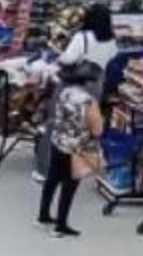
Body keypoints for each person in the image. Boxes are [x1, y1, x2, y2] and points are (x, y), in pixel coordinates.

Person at [37, 61, 104, 238]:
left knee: (51, 180)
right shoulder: (89, 101)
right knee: (69, 186)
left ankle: (43, 215)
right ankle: (60, 225)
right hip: (75, 149)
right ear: (89, 82)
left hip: (58, 141)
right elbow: (97, 129)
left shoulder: (65, 92)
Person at [58, 3, 117, 78]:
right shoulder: (111, 39)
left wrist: (59, 58)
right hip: (104, 81)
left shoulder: (82, 36)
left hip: (84, 82)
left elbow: (68, 60)